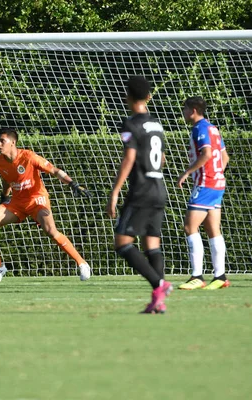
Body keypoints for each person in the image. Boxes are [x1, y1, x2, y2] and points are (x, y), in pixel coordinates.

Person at [0, 127, 92, 282]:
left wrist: (72, 184)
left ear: (13, 142)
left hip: (37, 199)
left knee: (51, 231)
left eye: (2, 141)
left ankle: (82, 263)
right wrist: (4, 198)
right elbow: (6, 180)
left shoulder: (28, 156)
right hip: (17, 203)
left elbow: (54, 170)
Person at [106, 76, 172, 314]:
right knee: (151, 244)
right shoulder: (157, 124)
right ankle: (158, 301)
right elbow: (162, 159)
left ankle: (159, 285)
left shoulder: (130, 124)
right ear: (149, 97)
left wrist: (115, 192)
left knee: (122, 243)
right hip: (159, 189)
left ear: (128, 97)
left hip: (141, 191)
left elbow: (129, 158)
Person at [177, 96, 230, 290]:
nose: (183, 113)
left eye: (184, 109)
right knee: (212, 229)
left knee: (190, 227)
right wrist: (217, 174)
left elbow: (207, 153)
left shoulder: (200, 128)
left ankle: (197, 276)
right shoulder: (213, 128)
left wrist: (187, 172)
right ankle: (220, 276)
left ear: (193, 110)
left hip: (206, 183)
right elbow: (225, 157)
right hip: (217, 183)